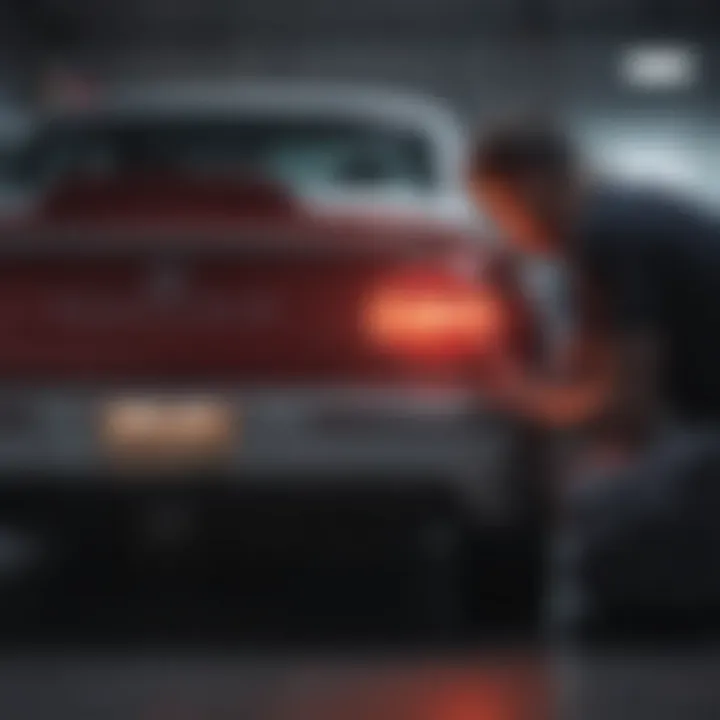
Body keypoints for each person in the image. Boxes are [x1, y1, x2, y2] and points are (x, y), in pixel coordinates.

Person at [470, 118, 720, 642]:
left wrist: (515, 399)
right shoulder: (629, 217)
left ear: (534, 183)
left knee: (601, 509)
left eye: (501, 209)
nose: (509, 228)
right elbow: (594, 368)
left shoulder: (612, 237)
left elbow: (626, 410)